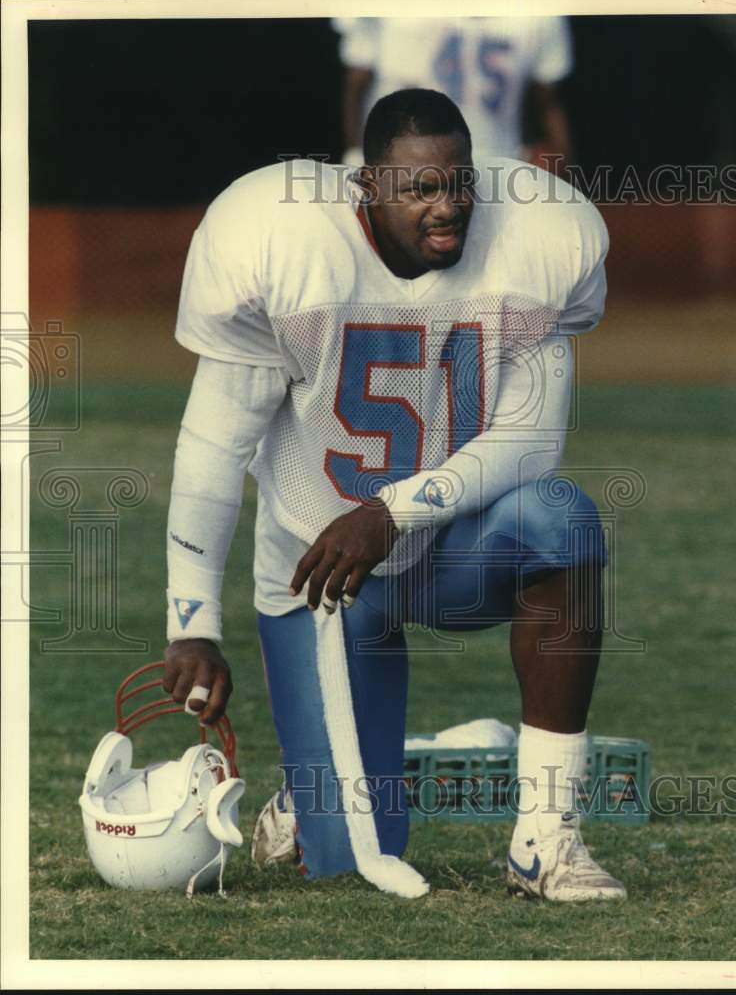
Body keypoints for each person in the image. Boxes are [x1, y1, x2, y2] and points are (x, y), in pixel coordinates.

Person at [162, 88, 626, 902]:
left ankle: (545, 838)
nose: (447, 208)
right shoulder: (280, 241)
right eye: (418, 190)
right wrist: (191, 624)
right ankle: (317, 795)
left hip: (451, 545)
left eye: (459, 184)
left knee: (563, 520)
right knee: (345, 860)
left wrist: (391, 511)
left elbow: (531, 441)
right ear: (366, 187)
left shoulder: (541, 239)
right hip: (322, 574)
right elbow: (212, 451)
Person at [333, 16, 573, 168]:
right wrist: (356, 155)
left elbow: (547, 101)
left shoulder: (538, 16)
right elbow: (355, 83)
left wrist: (562, 163)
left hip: (496, 171)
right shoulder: (396, 12)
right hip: (404, 169)